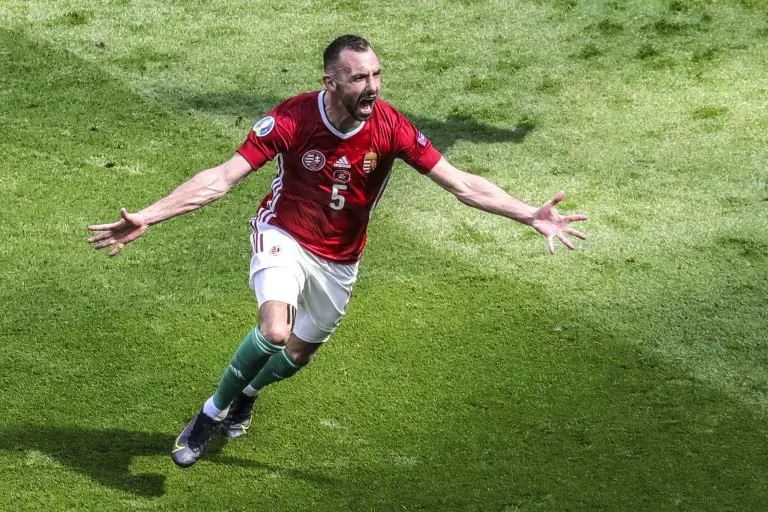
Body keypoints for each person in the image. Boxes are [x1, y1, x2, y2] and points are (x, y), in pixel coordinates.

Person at [87, 35, 588, 468]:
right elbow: (221, 178)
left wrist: (528, 214)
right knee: (275, 331)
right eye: (359, 78)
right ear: (331, 81)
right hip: (284, 233)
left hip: (341, 258)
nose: (372, 87)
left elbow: (461, 184)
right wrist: (149, 214)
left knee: (298, 353)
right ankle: (209, 415)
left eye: (377, 75)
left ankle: (247, 393)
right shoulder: (292, 117)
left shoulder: (391, 127)